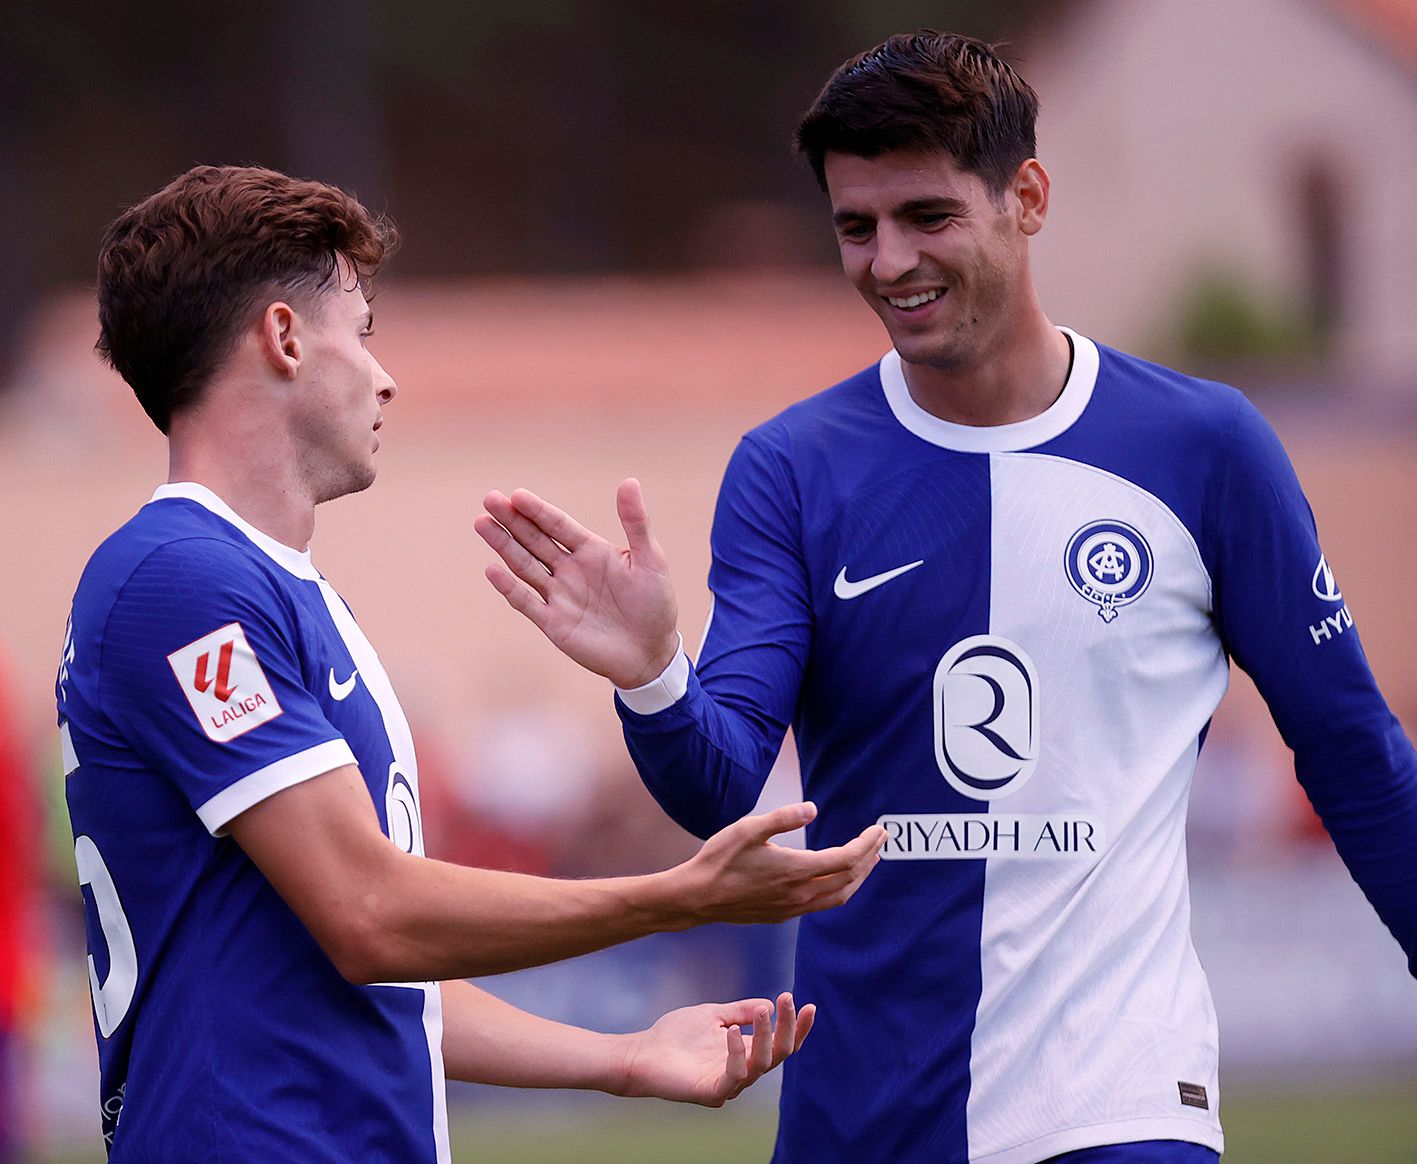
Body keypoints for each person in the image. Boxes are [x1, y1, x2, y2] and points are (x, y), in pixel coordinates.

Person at [476, 30, 1417, 1164]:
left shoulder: (1203, 447)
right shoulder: (791, 469)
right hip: (860, 1116)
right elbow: (721, 787)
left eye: (927, 216)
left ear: (1028, 198)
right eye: (855, 228)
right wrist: (652, 676)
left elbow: (1354, 754)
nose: (889, 262)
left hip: (1118, 1110)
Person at [57, 164, 887, 1163]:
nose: (384, 377)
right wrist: (681, 895)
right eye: (362, 332)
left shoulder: (269, 589)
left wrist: (625, 1058)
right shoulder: (178, 578)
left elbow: (376, 970)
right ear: (283, 337)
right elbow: (370, 915)